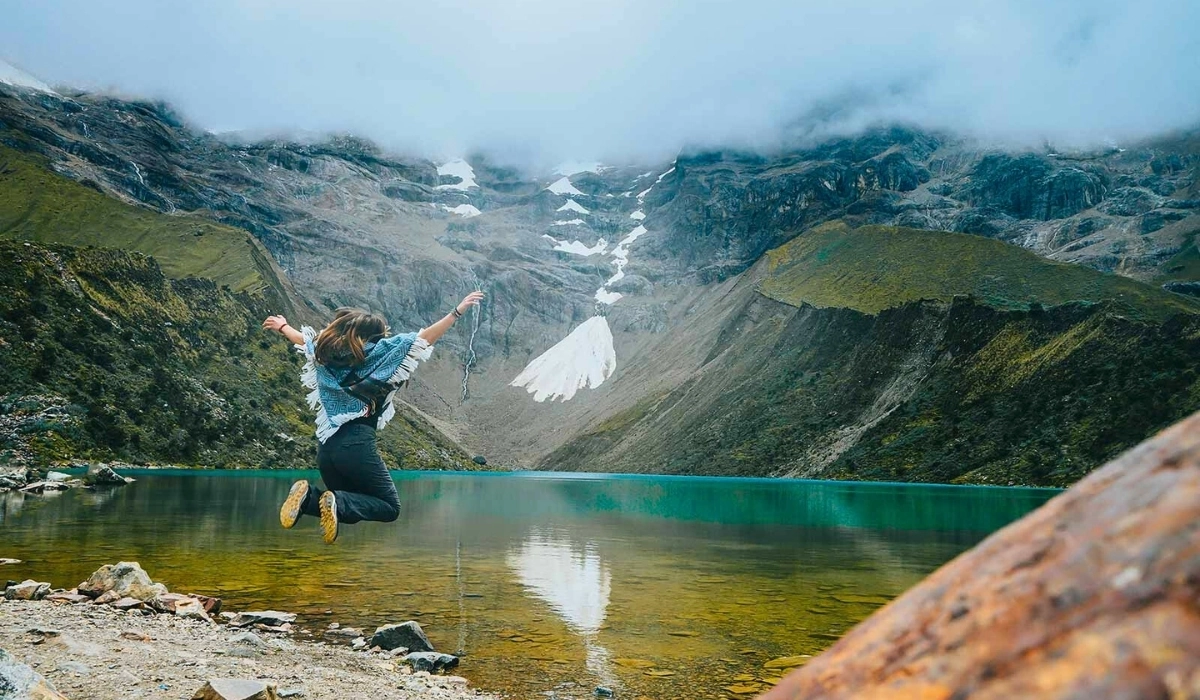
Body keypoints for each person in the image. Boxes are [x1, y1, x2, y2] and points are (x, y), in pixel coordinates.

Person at [262, 291, 484, 544]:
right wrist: (456, 312)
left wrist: (283, 327)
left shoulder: (326, 354)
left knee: (346, 508)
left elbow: (304, 341)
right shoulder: (380, 354)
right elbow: (424, 339)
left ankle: (308, 498)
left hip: (326, 448)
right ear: (374, 335)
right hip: (356, 443)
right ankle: (331, 499)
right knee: (388, 507)